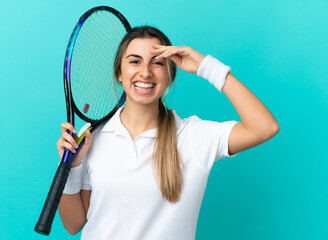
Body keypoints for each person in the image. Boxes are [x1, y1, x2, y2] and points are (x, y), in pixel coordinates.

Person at [57, 26, 279, 239]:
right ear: (119, 73)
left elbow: (264, 127)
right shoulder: (91, 139)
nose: (145, 72)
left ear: (170, 76)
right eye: (135, 61)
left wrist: (205, 66)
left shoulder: (194, 136)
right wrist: (71, 166)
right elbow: (73, 224)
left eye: (157, 63)